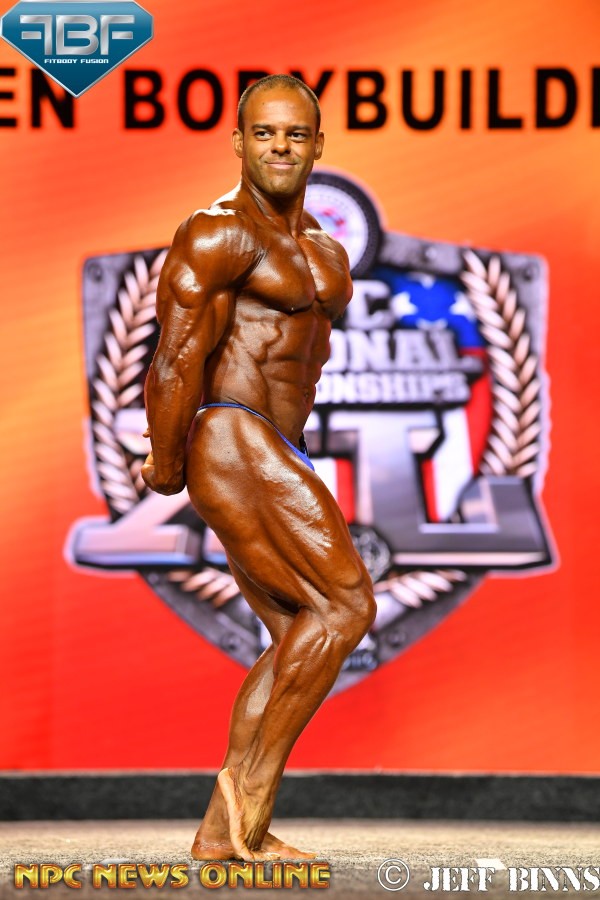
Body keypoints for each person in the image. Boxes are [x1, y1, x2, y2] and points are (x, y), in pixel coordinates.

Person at [142, 74, 377, 862]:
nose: (281, 146)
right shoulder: (217, 235)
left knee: (295, 636)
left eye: (296, 134)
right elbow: (176, 357)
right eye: (266, 133)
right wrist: (166, 462)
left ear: (318, 145)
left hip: (280, 446)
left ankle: (221, 833)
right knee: (345, 606)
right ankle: (248, 806)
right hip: (230, 433)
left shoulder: (326, 251)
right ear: (239, 143)